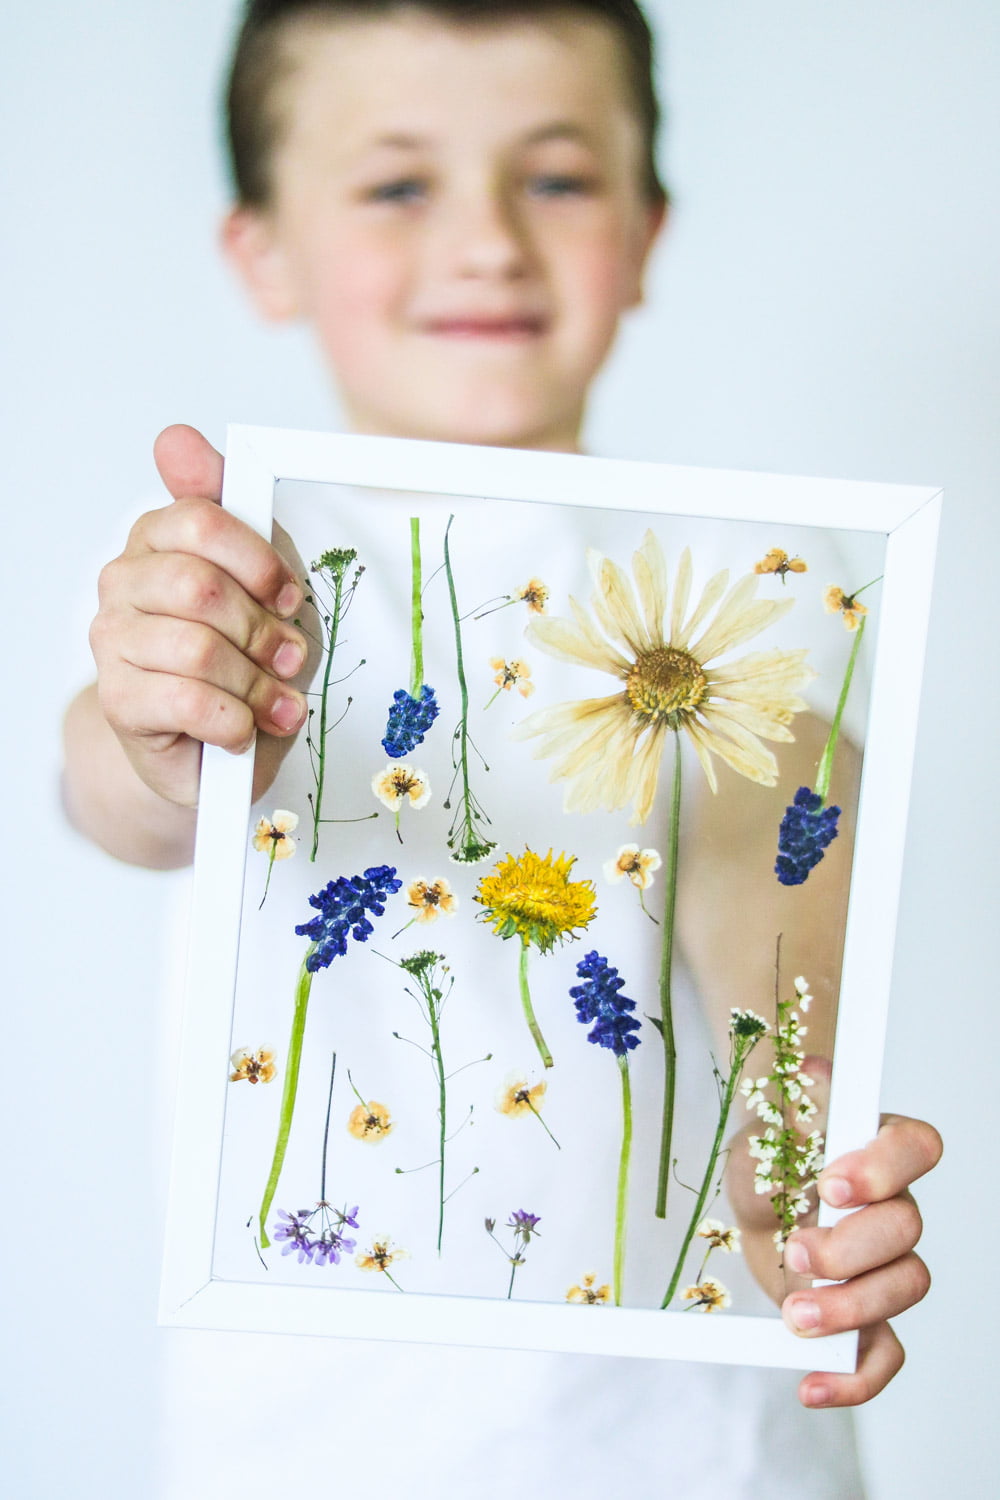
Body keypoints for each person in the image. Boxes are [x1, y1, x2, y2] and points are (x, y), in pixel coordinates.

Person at [61, 2, 941, 1493]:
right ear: (261, 248)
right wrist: (168, 726)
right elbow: (120, 791)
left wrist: (797, 1166)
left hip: (700, 1453)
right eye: (399, 184)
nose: (486, 241)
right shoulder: (234, 573)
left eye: (556, 177)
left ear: (648, 230)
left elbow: (782, 881)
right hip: (302, 1447)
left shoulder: (763, 591)